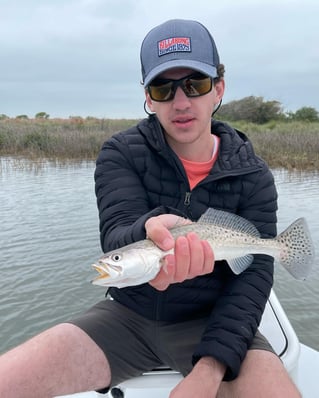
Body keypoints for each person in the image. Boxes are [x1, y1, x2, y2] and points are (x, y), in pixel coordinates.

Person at [0, 19, 301, 398]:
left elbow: (253, 277)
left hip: (212, 320)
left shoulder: (254, 174)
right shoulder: (120, 152)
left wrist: (210, 369)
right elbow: (117, 230)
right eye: (163, 88)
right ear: (148, 97)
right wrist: (150, 227)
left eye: (195, 84)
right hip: (126, 315)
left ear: (218, 88)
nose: (180, 101)